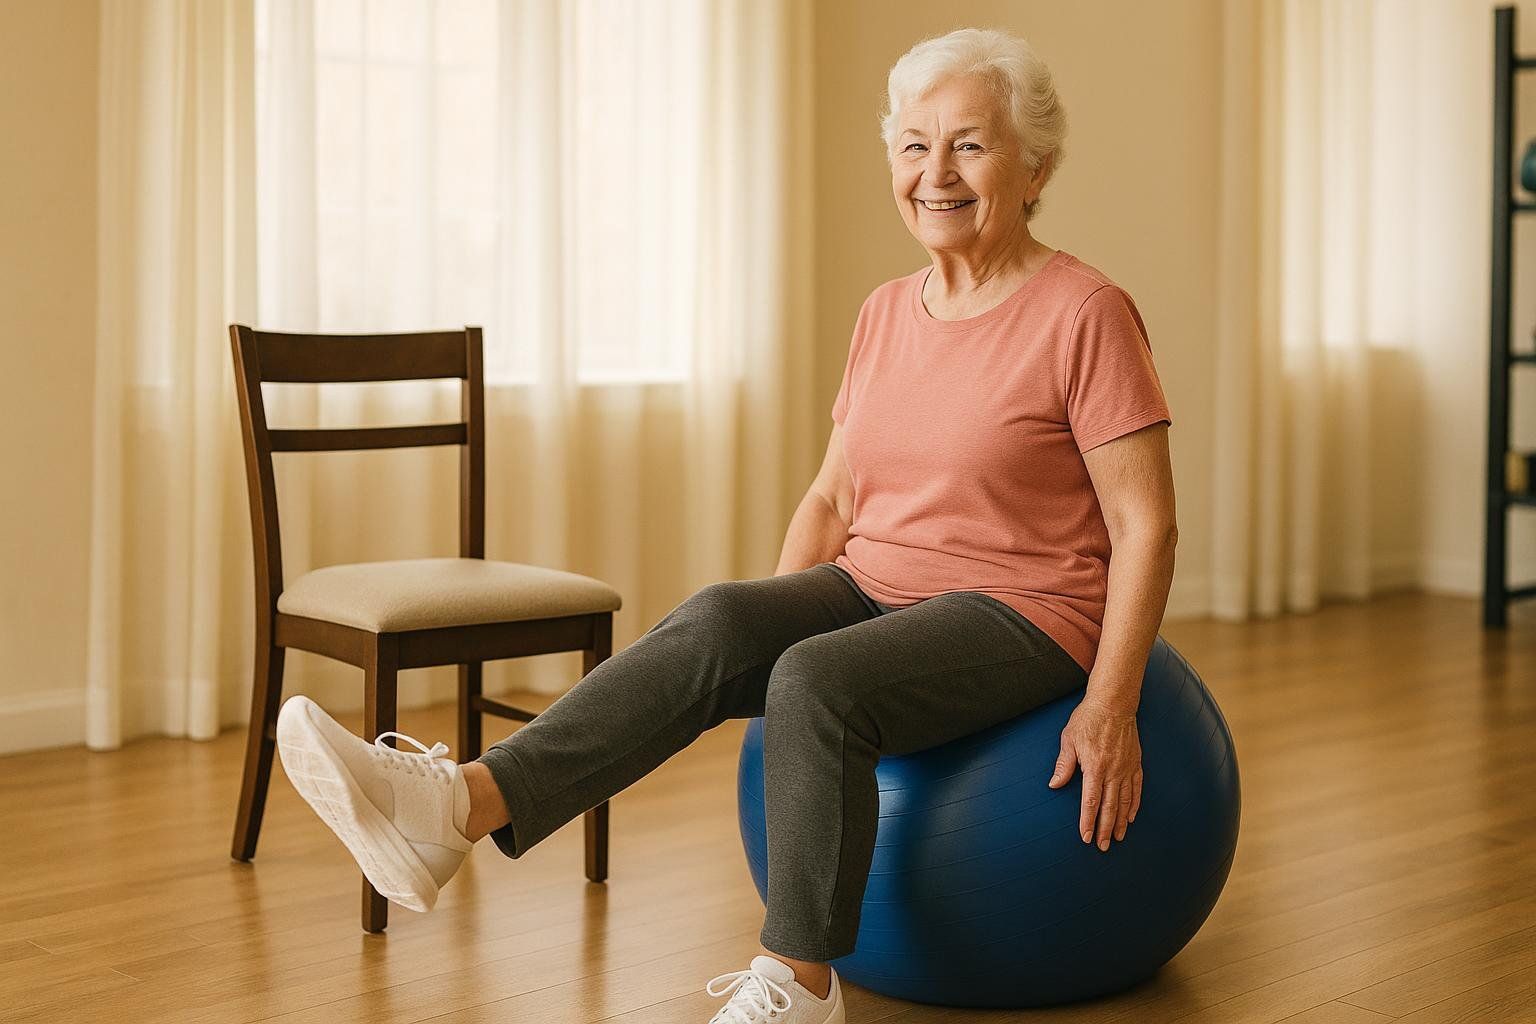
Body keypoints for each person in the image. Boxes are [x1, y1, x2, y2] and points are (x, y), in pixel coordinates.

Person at [275, 25, 1176, 1024]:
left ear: (1035, 165)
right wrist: (770, 622)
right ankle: (455, 808)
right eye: (915, 145)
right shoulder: (886, 311)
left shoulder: (1084, 311)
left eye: (970, 143)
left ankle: (800, 985)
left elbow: (1145, 525)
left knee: (817, 680)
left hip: (1025, 609)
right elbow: (834, 499)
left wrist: (1112, 702)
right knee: (715, 620)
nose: (936, 172)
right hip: (880, 584)